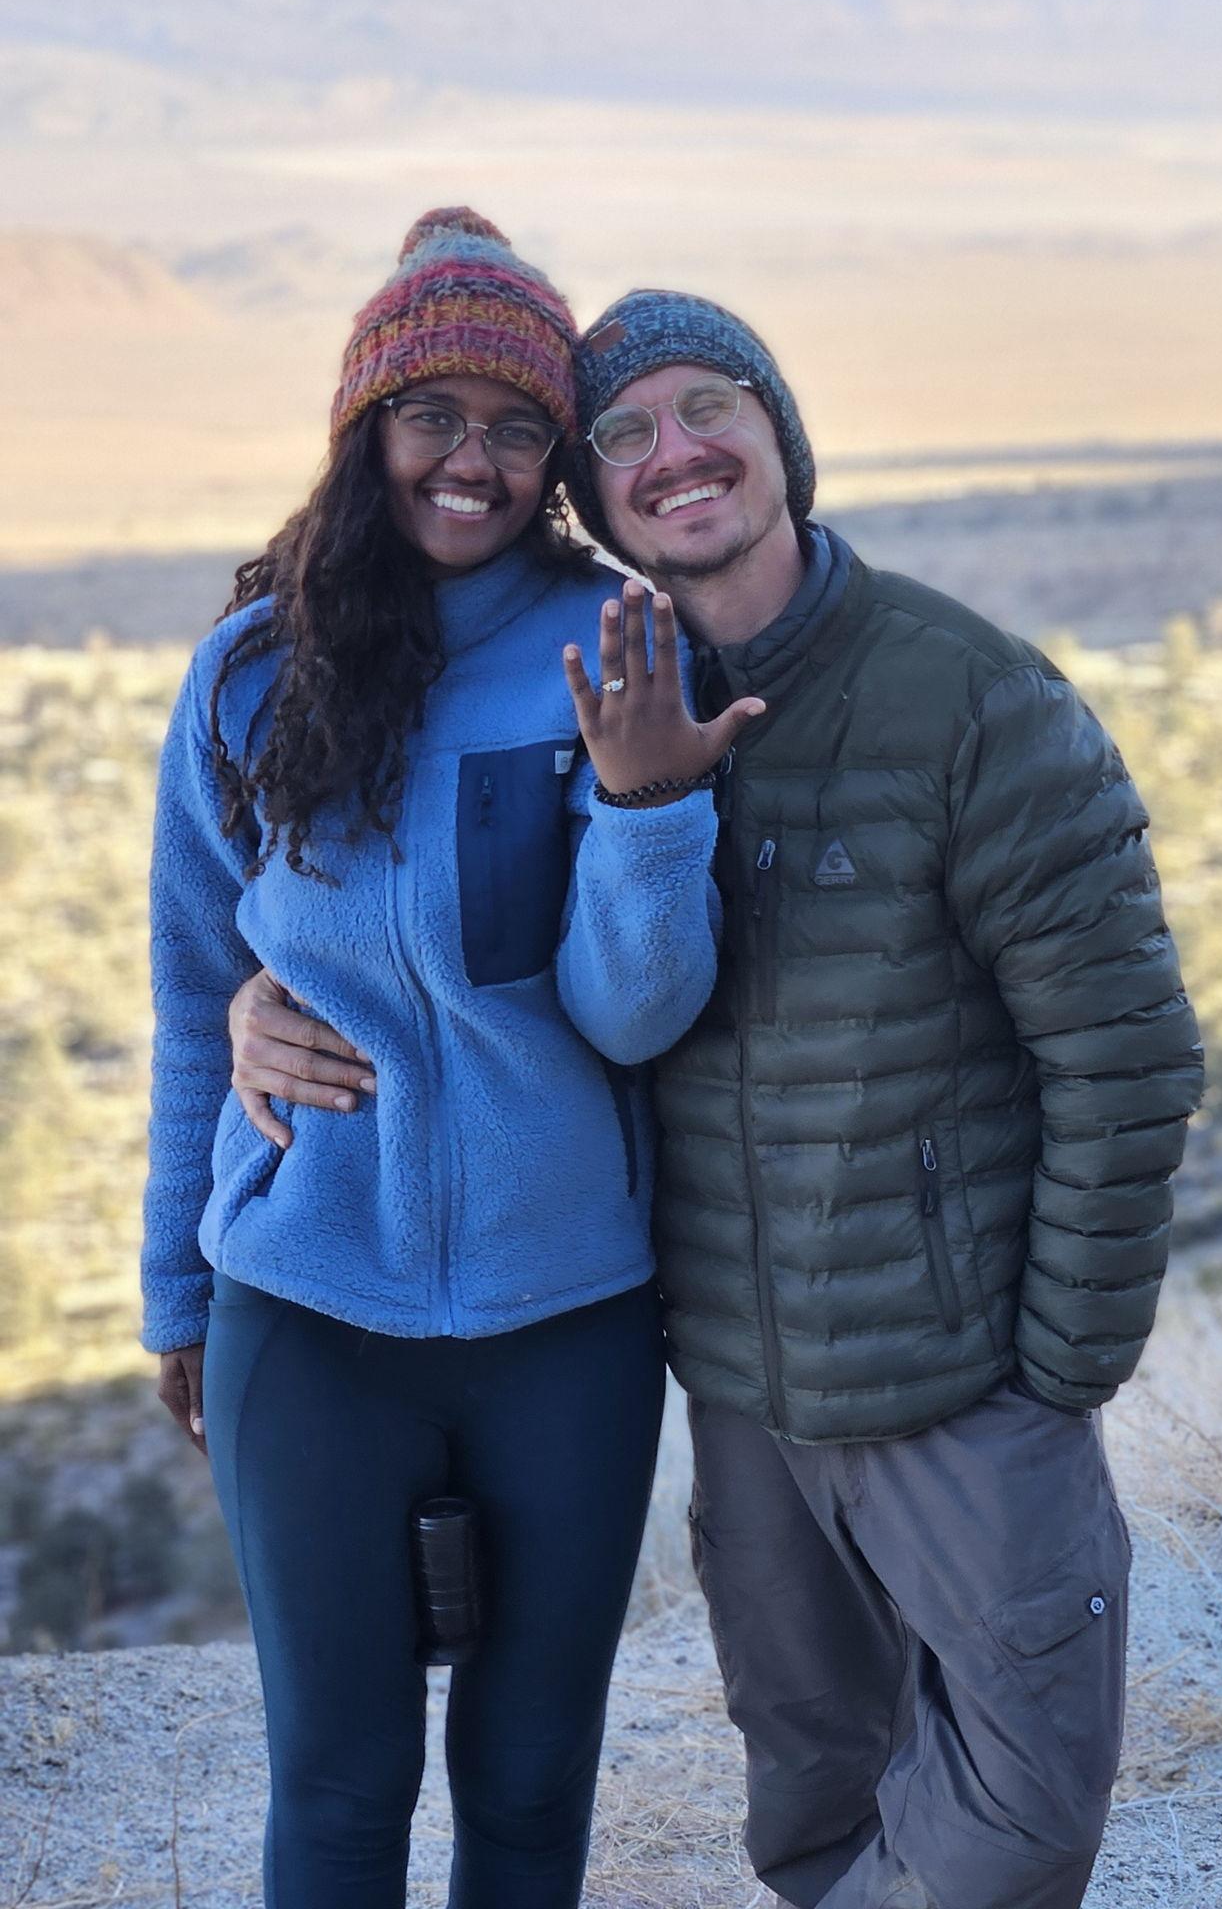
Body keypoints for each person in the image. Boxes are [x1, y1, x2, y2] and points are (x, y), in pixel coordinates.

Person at [227, 286, 1205, 1909]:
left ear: (780, 433)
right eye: (622, 432)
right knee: (814, 1806)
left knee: (1023, 1804)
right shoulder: (598, 685)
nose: (672, 452)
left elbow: (1127, 1051)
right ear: (597, 500)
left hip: (954, 1372)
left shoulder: (967, 698)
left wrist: (1060, 1368)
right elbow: (426, 963)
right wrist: (268, 995)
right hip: (738, 1386)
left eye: (708, 408)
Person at [142, 210, 760, 1909]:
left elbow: (638, 1014)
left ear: (556, 459)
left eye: (516, 427)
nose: (472, 461)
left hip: (566, 1314)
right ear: (368, 428)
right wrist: (177, 1290)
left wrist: (647, 804)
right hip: (307, 1307)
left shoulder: (616, 642)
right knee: (340, 1790)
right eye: (434, 416)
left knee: (531, 1781)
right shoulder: (248, 674)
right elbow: (198, 989)